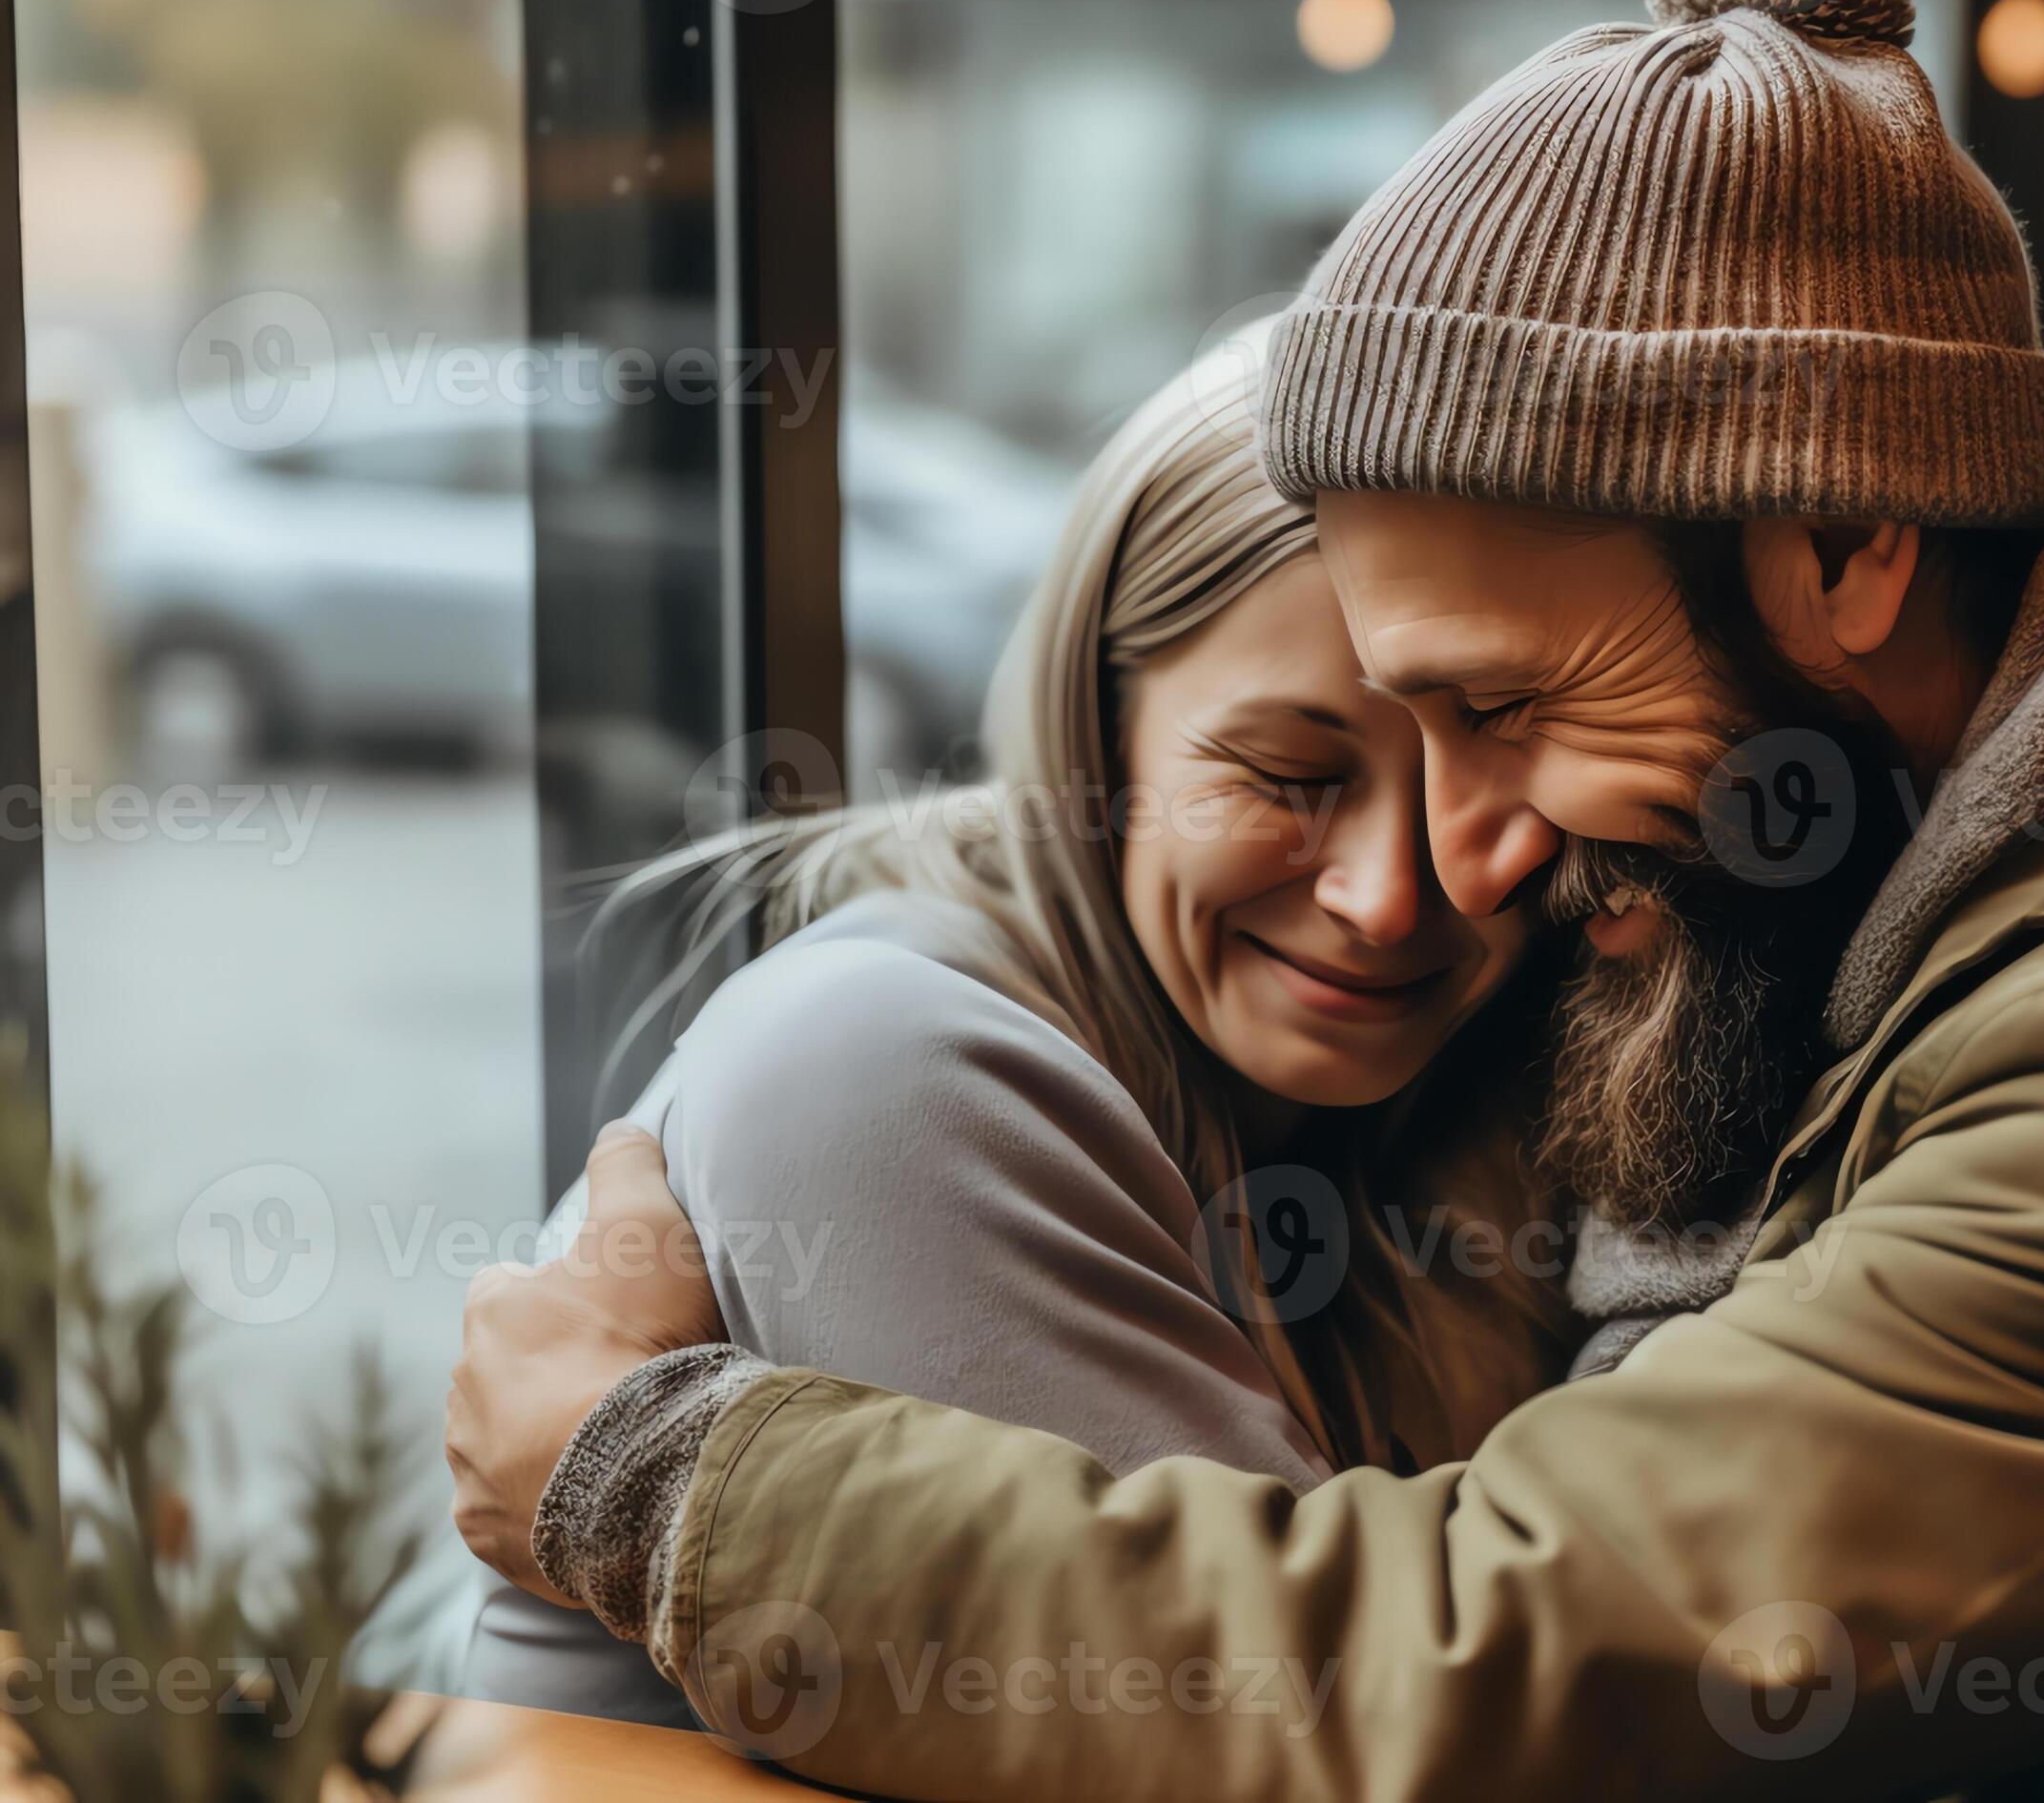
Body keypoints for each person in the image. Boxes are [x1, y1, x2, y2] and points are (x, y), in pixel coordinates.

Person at [447, 0, 2044, 1792]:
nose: (1465, 858)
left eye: (1506, 708)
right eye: (1331, 744)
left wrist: (662, 1473)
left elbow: (1485, 1681)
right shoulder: (1958, 863)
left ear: (1852, 544)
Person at [452, 342, 1579, 1723]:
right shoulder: (884, 1062)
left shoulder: (1464, 1096)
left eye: (1499, 771)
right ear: (1096, 731)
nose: (1389, 895)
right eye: (1288, 775)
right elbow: (1325, 1731)